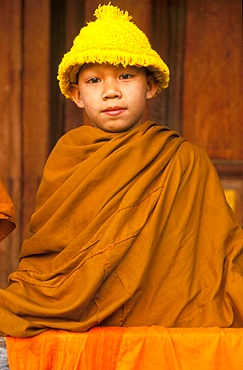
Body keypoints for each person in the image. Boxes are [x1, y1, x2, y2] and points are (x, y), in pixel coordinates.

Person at [0, 3, 243, 338]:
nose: (111, 91)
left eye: (125, 76)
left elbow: (215, 252)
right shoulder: (68, 155)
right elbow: (52, 252)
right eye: (94, 80)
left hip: (161, 302)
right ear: (76, 94)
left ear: (151, 86)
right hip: (75, 299)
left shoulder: (184, 160)